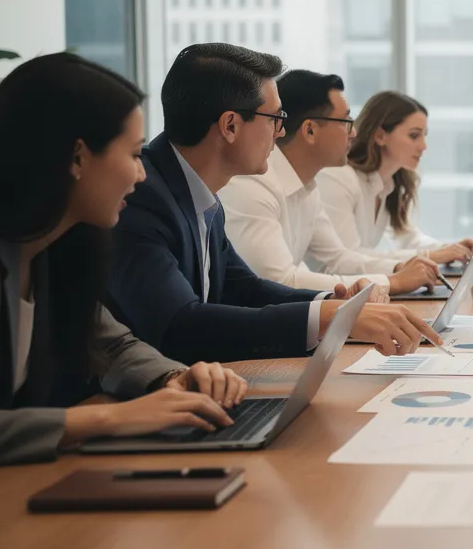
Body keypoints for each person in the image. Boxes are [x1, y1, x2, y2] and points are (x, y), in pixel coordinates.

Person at [0, 54, 247, 467]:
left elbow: (111, 343)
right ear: (77, 158)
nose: (141, 175)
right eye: (135, 154)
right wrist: (105, 418)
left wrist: (173, 377)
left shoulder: (53, 251)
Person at [107, 43, 440, 363]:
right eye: (275, 118)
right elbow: (179, 326)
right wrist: (330, 316)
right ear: (231, 126)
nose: (281, 132)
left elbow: (244, 289)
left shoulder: (198, 192)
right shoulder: (141, 197)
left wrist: (334, 305)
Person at [218, 70, 441, 294]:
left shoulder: (307, 186)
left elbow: (336, 258)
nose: (354, 132)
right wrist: (393, 282)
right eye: (346, 121)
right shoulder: (254, 183)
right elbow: (279, 281)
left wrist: (398, 269)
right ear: (310, 130)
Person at [317, 91, 473, 266]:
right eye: (414, 135)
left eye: (424, 135)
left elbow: (407, 237)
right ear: (380, 136)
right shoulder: (340, 177)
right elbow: (349, 257)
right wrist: (430, 256)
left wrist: (448, 249)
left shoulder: (388, 184)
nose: (424, 146)